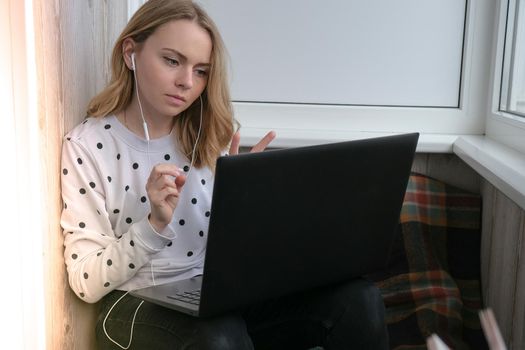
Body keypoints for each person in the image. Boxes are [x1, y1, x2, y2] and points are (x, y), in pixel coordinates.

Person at [60, 0, 389, 349]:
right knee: (220, 336)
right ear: (131, 52)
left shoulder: (208, 134)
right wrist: (153, 224)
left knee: (359, 300)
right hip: (133, 303)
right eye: (172, 60)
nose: (186, 82)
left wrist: (248, 205)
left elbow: (226, 250)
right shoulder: (87, 145)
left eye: (201, 70)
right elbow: (85, 281)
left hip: (215, 294)